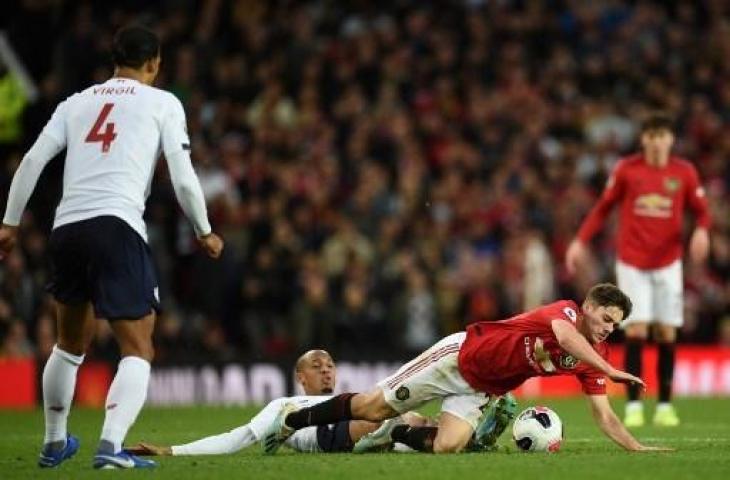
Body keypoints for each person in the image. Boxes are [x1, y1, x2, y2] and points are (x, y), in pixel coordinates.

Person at [0, 26, 224, 469]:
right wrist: (204, 229)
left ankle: (54, 442)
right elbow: (182, 177)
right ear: (155, 63)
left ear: (114, 60)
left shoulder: (76, 103)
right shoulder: (163, 103)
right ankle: (110, 447)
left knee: (68, 344)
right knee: (138, 348)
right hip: (116, 225)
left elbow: (31, 161)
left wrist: (8, 223)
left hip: (66, 229)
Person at [261, 283, 671, 454]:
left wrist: (637, 448)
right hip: (458, 358)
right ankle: (293, 420)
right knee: (370, 407)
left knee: (448, 446)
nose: (609, 329)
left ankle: (398, 432)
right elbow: (565, 339)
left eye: (615, 325)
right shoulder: (563, 312)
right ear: (589, 307)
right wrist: (610, 368)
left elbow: (603, 414)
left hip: (481, 387)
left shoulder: (591, 355)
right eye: (606, 319)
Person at [565, 113, 711, 428]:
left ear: (670, 140)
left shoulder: (684, 172)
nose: (657, 142)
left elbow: (701, 212)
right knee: (636, 329)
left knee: (666, 332)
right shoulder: (627, 170)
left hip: (669, 263)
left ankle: (665, 406)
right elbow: (603, 207)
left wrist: (702, 231)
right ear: (643, 138)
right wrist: (580, 241)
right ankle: (633, 404)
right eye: (652, 135)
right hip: (632, 261)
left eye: (663, 136)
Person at [125, 349, 515, 456]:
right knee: (385, 420)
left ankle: (471, 438)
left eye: (330, 365)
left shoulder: (347, 398)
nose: (326, 371)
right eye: (317, 365)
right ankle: (395, 432)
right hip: (325, 436)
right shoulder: (286, 403)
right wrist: (171, 450)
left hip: (352, 432)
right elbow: (241, 435)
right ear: (301, 376)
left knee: (424, 427)